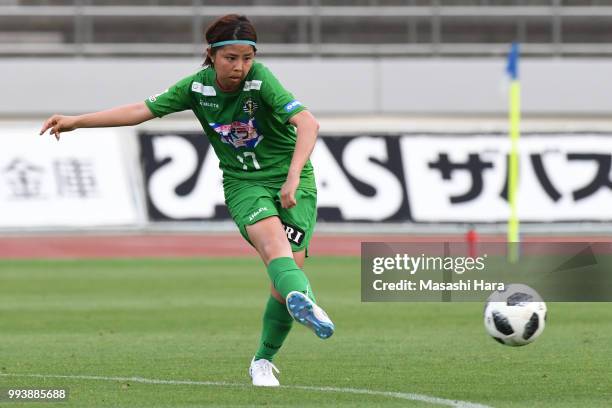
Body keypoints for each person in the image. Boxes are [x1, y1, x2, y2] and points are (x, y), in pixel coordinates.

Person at [39, 14, 334, 387]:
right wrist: (77, 121)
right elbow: (139, 111)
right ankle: (304, 300)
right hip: (245, 184)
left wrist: (292, 177)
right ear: (210, 54)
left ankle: (264, 358)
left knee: (284, 277)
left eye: (247, 58)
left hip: (294, 182)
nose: (240, 67)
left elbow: (308, 123)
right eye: (231, 58)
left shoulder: (262, 79)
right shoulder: (197, 88)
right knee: (275, 248)